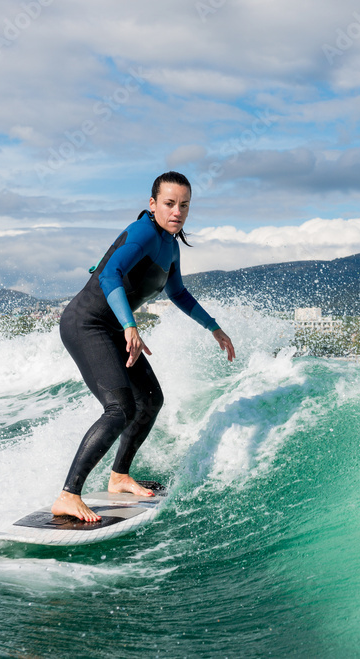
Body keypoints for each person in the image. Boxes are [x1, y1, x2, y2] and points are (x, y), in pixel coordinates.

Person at [51, 171, 236, 522]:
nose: (177, 212)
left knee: (150, 400)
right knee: (119, 408)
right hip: (87, 325)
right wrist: (130, 325)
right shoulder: (143, 233)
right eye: (169, 204)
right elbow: (108, 275)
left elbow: (177, 292)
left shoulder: (170, 245)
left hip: (113, 328)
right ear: (153, 204)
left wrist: (214, 327)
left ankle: (119, 476)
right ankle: (68, 494)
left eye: (184, 205)